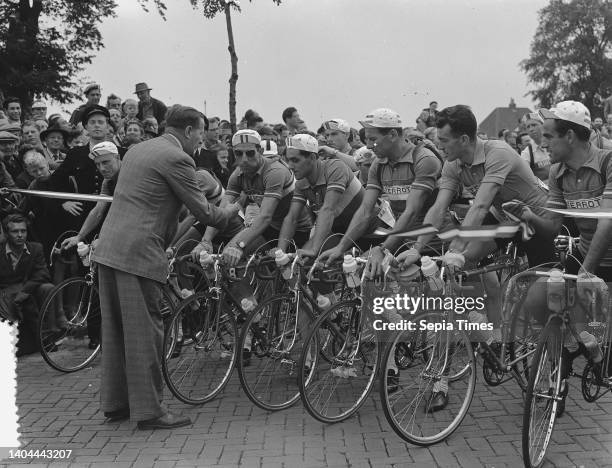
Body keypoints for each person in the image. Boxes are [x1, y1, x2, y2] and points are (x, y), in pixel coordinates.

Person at [397, 105, 556, 411]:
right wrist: (418, 248)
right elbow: (438, 209)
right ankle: (449, 370)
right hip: (504, 220)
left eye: (444, 139)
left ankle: (551, 379)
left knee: (543, 301)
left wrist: (456, 245)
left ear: (466, 139)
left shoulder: (498, 152)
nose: (440, 145)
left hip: (536, 221)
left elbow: (479, 207)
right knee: (453, 279)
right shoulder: (453, 164)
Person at [91, 104, 238, 430]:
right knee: (145, 333)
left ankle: (117, 404)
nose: (202, 139)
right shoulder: (178, 159)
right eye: (201, 132)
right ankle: (151, 412)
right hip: (138, 255)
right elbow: (206, 214)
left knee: (115, 331)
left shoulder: (136, 150)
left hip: (109, 248)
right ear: (188, 131)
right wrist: (232, 205)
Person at [513, 100, 612, 416]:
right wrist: (529, 216)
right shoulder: (557, 171)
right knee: (537, 300)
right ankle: (562, 366)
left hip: (601, 257)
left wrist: (587, 273)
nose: (542, 143)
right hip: (586, 253)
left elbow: (607, 221)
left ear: (570, 136)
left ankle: (592, 348)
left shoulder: (608, 162)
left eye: (548, 136)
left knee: (602, 333)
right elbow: (555, 224)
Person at [319, 108, 444, 280]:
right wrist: (341, 247)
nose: (368, 146)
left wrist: (384, 249)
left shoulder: (423, 159)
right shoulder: (379, 164)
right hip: (405, 243)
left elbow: (411, 211)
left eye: (373, 139)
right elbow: (365, 211)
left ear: (392, 134)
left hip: (436, 244)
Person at [194, 129, 312, 265]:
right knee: (229, 257)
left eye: (250, 153)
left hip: (296, 229)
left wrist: (240, 245)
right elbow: (222, 210)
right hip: (270, 227)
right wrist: (205, 241)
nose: (244, 159)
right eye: (239, 153)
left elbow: (265, 216)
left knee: (281, 271)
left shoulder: (274, 172)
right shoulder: (238, 174)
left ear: (260, 151)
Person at [277, 134, 365, 257]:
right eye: (288, 160)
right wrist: (279, 253)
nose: (290, 166)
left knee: (313, 255)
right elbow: (291, 218)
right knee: (301, 259)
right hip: (342, 232)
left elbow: (328, 209)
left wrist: (314, 250)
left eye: (295, 160)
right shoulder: (301, 183)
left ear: (313, 157)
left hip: (369, 229)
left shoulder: (335, 167)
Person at [0, 214, 54, 356]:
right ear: (6, 233)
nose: (20, 235)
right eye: (15, 231)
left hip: (27, 291)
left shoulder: (35, 248)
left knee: (47, 288)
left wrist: (24, 291)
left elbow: (43, 274)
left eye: (23, 231)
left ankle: (45, 336)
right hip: (5, 293)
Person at [61, 142, 122, 251]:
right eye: (98, 164)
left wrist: (105, 239)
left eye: (105, 162)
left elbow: (128, 214)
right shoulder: (108, 181)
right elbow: (98, 210)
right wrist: (79, 236)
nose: (102, 168)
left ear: (118, 158)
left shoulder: (129, 176)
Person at [520, 113, 551, 182]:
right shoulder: (526, 153)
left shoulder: (554, 143)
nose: (531, 129)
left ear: (542, 125)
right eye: (528, 127)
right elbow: (525, 178)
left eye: (534, 125)